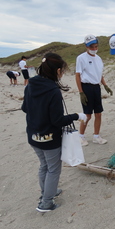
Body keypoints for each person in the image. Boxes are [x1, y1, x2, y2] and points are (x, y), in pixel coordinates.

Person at [21, 53, 87, 212]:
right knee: (53, 168)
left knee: (44, 165)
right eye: (62, 70)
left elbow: (25, 108)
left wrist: (38, 113)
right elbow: (57, 120)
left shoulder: (31, 84)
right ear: (57, 71)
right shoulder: (53, 91)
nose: (62, 73)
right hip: (49, 139)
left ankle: (46, 192)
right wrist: (77, 116)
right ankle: (46, 202)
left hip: (33, 136)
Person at [75, 34, 112, 146]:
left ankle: (96, 135)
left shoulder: (99, 59)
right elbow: (77, 75)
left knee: (98, 113)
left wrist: (105, 85)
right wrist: (81, 92)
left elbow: (99, 74)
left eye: (96, 46)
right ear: (86, 46)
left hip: (96, 87)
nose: (94, 49)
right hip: (86, 87)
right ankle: (81, 136)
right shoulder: (81, 58)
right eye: (92, 47)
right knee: (87, 115)